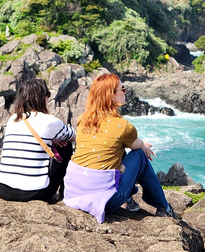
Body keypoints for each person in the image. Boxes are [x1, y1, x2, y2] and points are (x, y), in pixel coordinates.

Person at [63, 73, 177, 223]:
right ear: (110, 96)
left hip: (74, 194)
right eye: (122, 89)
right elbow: (138, 147)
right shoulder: (122, 126)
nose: (125, 91)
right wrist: (144, 147)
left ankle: (130, 200)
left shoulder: (83, 119)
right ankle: (164, 208)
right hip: (106, 202)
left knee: (117, 149)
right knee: (139, 156)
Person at [0, 78, 75, 202]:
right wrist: (53, 138)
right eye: (47, 95)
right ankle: (63, 192)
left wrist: (50, 139)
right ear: (42, 98)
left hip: (3, 189)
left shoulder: (13, 119)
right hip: (34, 193)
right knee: (66, 145)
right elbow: (74, 136)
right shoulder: (50, 121)